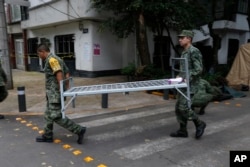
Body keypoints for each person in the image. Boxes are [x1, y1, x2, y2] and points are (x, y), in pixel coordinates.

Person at [36, 44, 86, 144]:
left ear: (42, 52)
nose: (39, 56)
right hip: (53, 93)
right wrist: (66, 86)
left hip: (55, 93)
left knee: (56, 116)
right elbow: (67, 72)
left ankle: (79, 130)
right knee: (48, 115)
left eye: (39, 54)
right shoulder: (58, 58)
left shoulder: (52, 60)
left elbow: (59, 73)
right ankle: (48, 135)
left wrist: (61, 88)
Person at [170, 30, 206, 139]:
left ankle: (200, 123)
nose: (179, 39)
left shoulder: (193, 51)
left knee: (184, 108)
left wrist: (186, 77)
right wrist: (179, 77)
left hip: (191, 84)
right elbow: (185, 69)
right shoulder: (184, 51)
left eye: (182, 37)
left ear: (189, 39)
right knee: (178, 108)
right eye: (179, 38)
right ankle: (182, 131)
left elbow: (198, 69)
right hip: (183, 84)